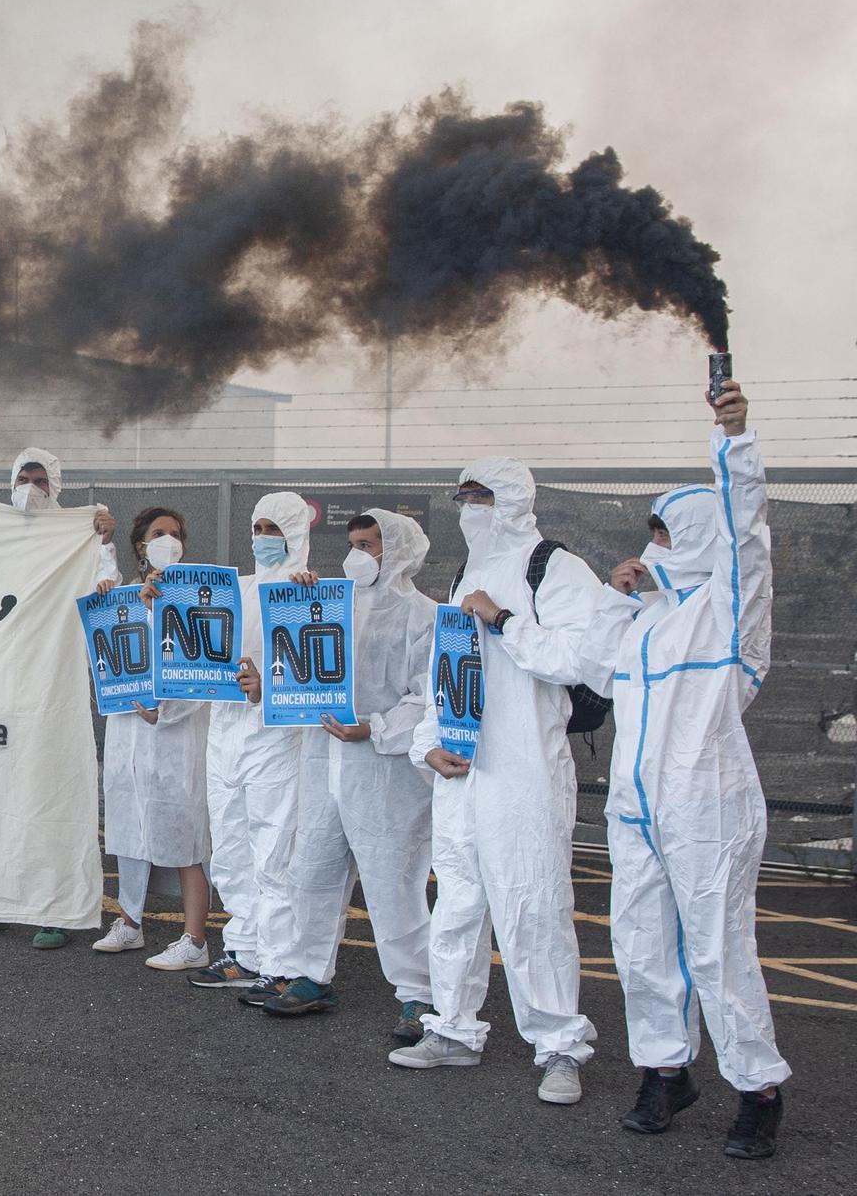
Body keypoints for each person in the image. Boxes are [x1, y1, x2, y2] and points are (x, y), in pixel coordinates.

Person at [584, 381, 788, 1157]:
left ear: (699, 535)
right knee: (639, 945)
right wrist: (618, 594)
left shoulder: (730, 613)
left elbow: (749, 539)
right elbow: (596, 672)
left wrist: (732, 442)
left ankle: (757, 1085)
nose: (656, 545)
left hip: (708, 806)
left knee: (717, 949)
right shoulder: (648, 622)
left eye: (668, 532)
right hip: (637, 809)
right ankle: (664, 1070)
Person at [390, 458, 601, 1106]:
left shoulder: (555, 569)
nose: (467, 506)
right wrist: (427, 746)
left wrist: (507, 620)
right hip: (463, 771)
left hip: (526, 771)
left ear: (511, 499)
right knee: (455, 903)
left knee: (533, 906)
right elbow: (440, 677)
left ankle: (559, 1044)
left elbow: (581, 658)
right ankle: (452, 1025)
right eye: (462, 495)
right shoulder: (466, 573)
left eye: (480, 495)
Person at [258, 509, 437, 1043]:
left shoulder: (421, 615)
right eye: (354, 542)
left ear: (400, 550)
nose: (358, 553)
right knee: (310, 870)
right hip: (322, 761)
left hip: (383, 770)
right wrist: (296, 600)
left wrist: (377, 727)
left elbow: (427, 694)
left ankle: (418, 993)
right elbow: (290, 667)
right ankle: (310, 975)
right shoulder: (329, 604)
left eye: (371, 544)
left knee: (394, 883)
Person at [0, 447, 117, 950]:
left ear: (55, 485)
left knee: (49, 802)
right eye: (23, 477)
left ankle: (55, 907)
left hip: (49, 693)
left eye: (41, 479)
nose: (31, 486)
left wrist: (101, 536)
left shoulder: (76, 533)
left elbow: (108, 586)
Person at [186, 492, 311, 1001]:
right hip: (226, 734)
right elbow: (188, 615)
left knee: (274, 851)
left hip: (276, 739)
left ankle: (280, 964)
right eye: (257, 528)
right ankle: (242, 952)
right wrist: (155, 598)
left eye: (272, 529)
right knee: (232, 848)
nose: (261, 538)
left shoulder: (310, 593)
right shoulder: (238, 588)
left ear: (295, 534)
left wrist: (268, 690)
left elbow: (319, 677)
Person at [92, 506, 212, 972]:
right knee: (128, 827)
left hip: (176, 737)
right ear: (141, 545)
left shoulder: (197, 597)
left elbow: (204, 671)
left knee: (185, 834)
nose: (168, 540)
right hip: (128, 732)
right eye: (158, 534)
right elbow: (103, 646)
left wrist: (166, 712)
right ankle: (130, 922)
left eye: (175, 534)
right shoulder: (123, 597)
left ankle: (195, 938)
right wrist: (105, 575)